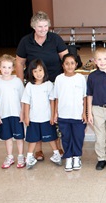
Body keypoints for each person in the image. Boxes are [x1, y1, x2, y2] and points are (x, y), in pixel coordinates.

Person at [15, 11, 68, 161]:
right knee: (36, 116)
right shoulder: (26, 41)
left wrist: (65, 79)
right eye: (40, 27)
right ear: (33, 27)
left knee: (54, 115)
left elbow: (65, 58)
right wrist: (21, 83)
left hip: (53, 83)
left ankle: (57, 147)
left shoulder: (55, 39)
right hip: (35, 84)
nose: (43, 29)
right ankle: (38, 150)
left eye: (45, 26)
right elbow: (19, 62)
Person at [21, 59, 62, 169]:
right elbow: (26, 102)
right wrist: (26, 116)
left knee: (51, 137)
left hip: (46, 118)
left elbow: (52, 101)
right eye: (35, 71)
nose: (38, 73)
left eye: (40, 70)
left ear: (44, 71)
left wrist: (53, 115)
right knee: (33, 139)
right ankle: (29, 157)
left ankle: (56, 154)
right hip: (33, 119)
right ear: (31, 73)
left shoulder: (48, 85)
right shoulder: (29, 86)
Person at [53, 53, 87, 172]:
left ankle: (77, 157)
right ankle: (68, 157)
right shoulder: (59, 79)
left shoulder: (81, 78)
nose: (70, 66)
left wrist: (84, 113)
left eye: (72, 63)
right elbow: (56, 97)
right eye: (67, 63)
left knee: (78, 137)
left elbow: (85, 97)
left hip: (77, 114)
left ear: (76, 64)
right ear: (63, 65)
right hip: (63, 114)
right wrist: (55, 113)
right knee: (66, 137)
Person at [0, 54, 26, 169]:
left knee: (19, 137)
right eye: (4, 67)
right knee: (7, 137)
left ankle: (21, 156)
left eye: (9, 67)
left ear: (13, 68)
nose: (6, 70)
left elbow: (23, 99)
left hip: (16, 114)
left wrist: (22, 113)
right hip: (4, 115)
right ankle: (10, 156)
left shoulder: (17, 82)